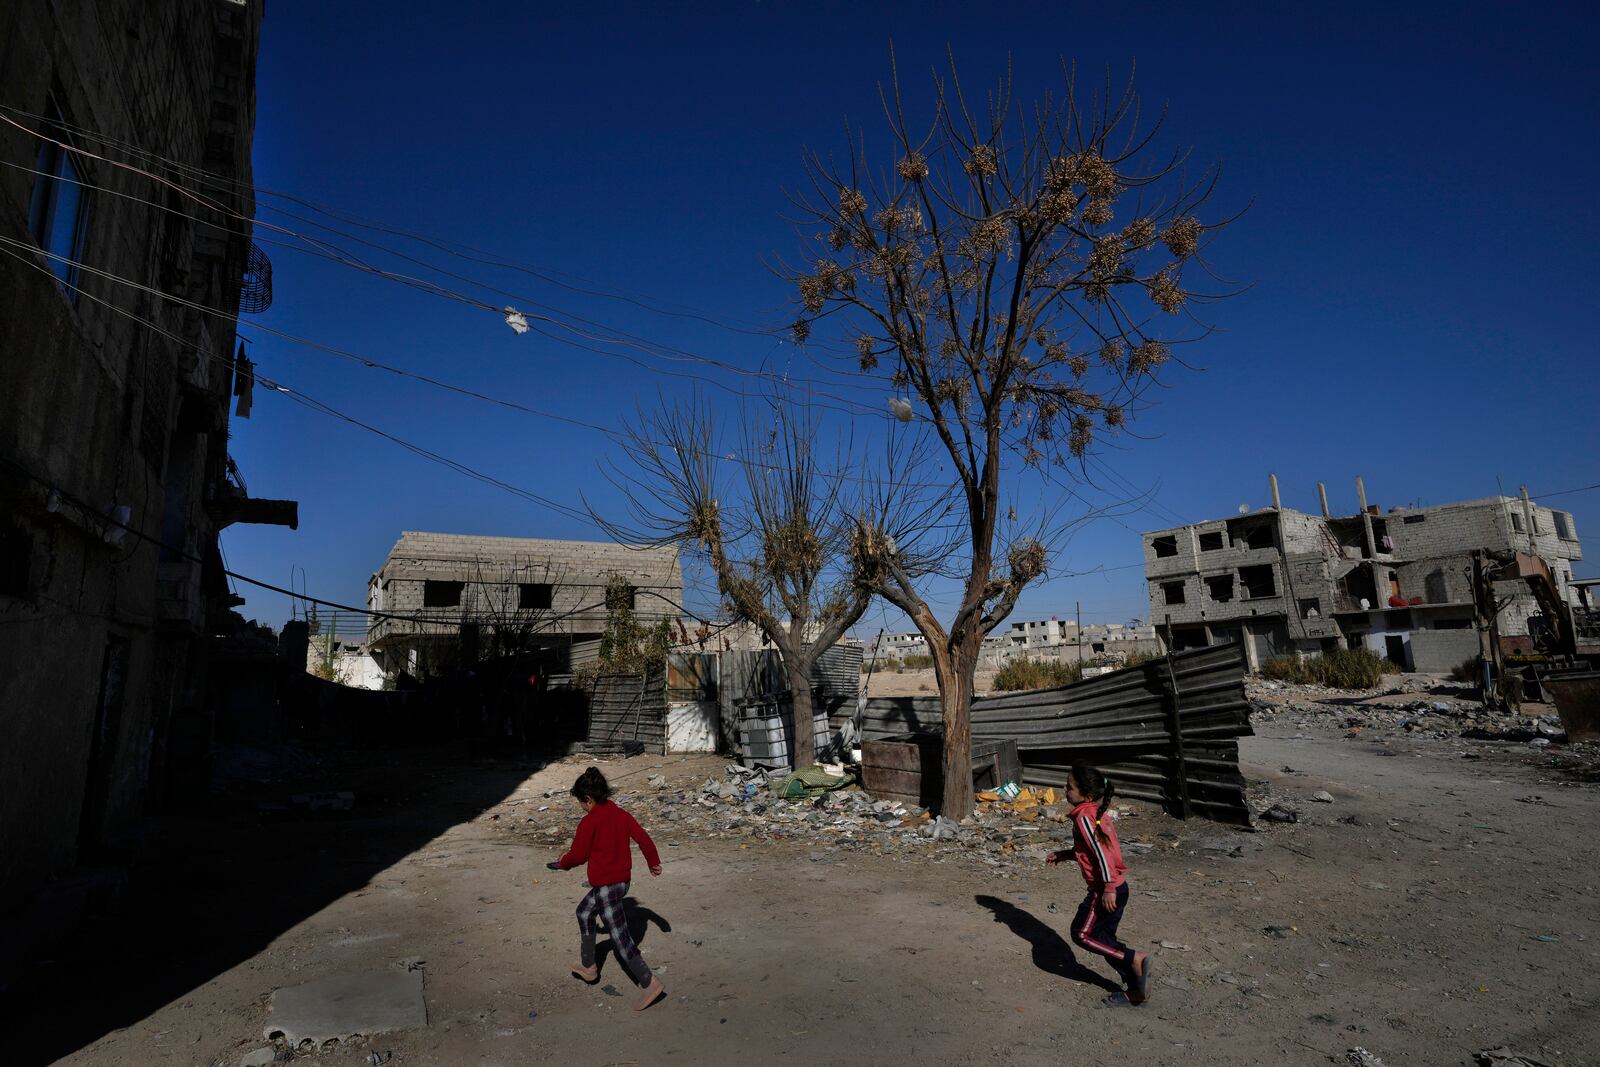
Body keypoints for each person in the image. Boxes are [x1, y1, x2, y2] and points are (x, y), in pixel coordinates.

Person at [547, 766, 666, 1010]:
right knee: (584, 912)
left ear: (588, 799)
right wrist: (653, 863)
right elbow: (643, 838)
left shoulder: (590, 822)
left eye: (581, 802)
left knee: (620, 937)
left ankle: (649, 981)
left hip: (606, 887)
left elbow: (579, 855)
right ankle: (589, 966)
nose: (581, 806)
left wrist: (562, 863)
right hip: (621, 883)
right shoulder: (621, 814)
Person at [1045, 763, 1153, 1004]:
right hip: (1118, 887)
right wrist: (1065, 854)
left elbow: (1102, 853)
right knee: (1104, 940)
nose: (1065, 790)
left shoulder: (1084, 817)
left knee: (1081, 934)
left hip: (1106, 890)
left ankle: (1135, 958)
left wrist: (1107, 887)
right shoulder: (1092, 814)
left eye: (1070, 787)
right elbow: (1091, 851)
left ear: (1088, 795)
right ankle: (1135, 991)